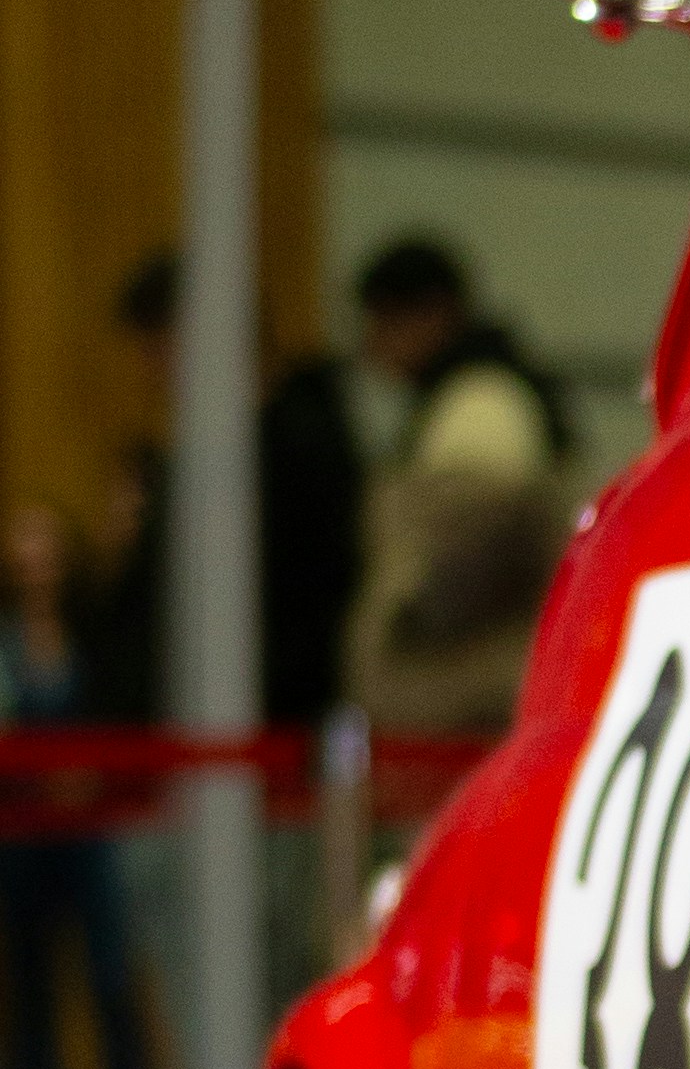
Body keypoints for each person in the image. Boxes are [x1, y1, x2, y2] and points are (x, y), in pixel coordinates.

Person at [93, 253, 366, 731]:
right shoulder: (217, 451)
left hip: (256, 736)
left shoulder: (290, 453)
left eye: (160, 354)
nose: (155, 376)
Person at [343, 236, 570, 743]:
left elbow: (468, 557)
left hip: (468, 702)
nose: (371, 344)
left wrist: (403, 615)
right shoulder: (469, 398)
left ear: (431, 314)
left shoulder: (482, 404)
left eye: (384, 323)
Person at [0, 503, 155, 1069]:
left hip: (91, 830)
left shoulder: (94, 635)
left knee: (109, 974)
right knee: (28, 985)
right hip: (23, 833)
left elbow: (124, 712)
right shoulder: (6, 642)